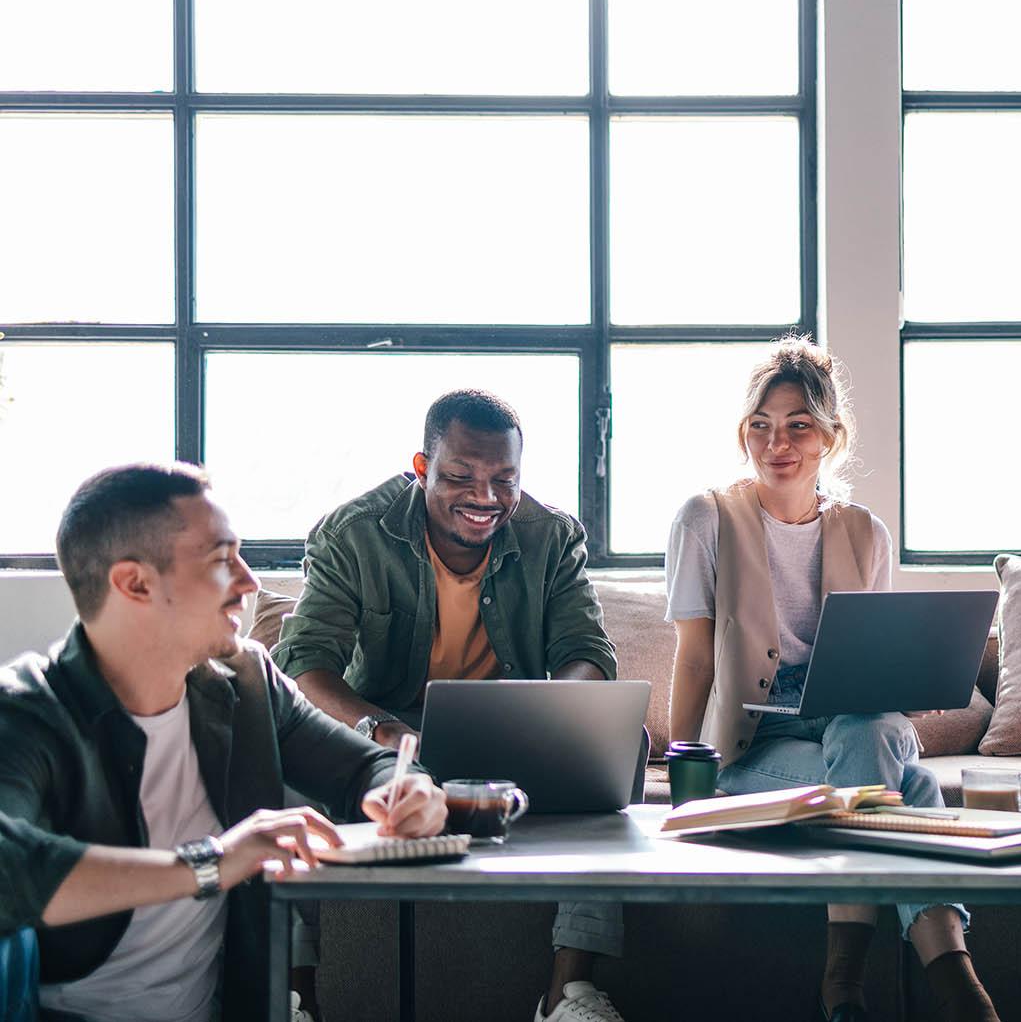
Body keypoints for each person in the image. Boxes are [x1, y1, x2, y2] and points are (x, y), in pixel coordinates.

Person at [0, 463, 446, 1022]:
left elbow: (367, 765)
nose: (250, 581)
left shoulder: (247, 684)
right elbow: (8, 867)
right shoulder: (26, 712)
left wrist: (411, 788)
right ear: (134, 583)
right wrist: (215, 862)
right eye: (220, 560)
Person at [665, 336, 1000, 1022]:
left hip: (849, 721)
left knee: (866, 729)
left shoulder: (864, 532)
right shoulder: (706, 518)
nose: (776, 443)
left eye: (797, 426)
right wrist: (682, 771)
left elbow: (874, 663)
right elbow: (696, 656)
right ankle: (956, 990)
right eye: (760, 425)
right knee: (915, 786)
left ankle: (844, 986)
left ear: (830, 437)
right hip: (755, 740)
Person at [272, 389, 628, 1022]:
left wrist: (549, 711)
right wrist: (377, 732)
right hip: (381, 741)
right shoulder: (355, 533)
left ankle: (568, 995)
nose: (484, 497)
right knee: (285, 784)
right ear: (422, 466)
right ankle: (295, 1001)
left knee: (608, 785)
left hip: (510, 734)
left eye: (503, 480)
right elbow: (306, 665)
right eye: (460, 476)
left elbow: (587, 650)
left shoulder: (552, 537)